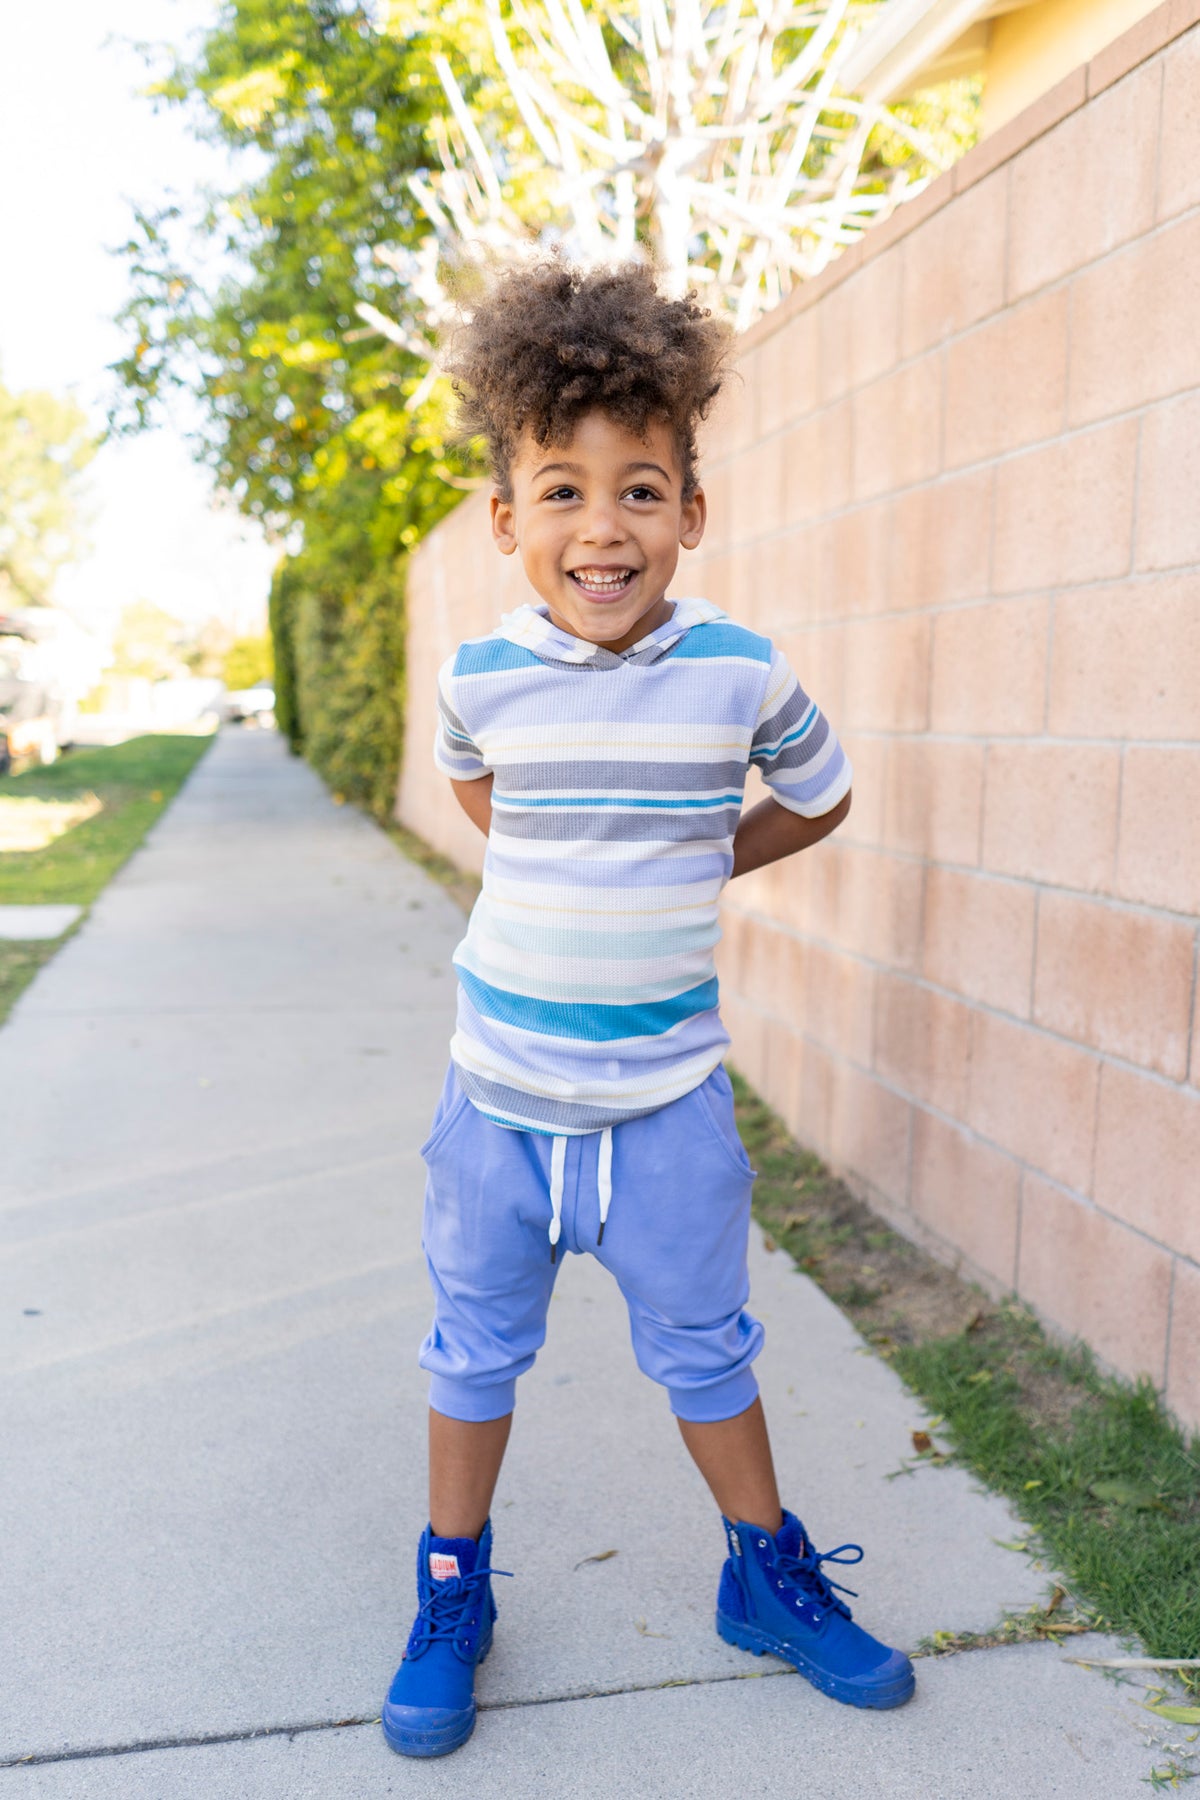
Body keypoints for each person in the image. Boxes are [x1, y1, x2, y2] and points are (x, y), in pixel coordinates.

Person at [382, 259, 915, 1759]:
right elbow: (483, 795)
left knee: (709, 1356)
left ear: (693, 509)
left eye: (640, 490)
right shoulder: (482, 678)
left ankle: (765, 1576)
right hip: (497, 1105)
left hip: (668, 1113)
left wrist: (705, 853)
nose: (602, 526)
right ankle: (451, 1590)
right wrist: (566, 862)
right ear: (508, 521)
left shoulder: (740, 673)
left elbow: (822, 792)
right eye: (562, 491)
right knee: (471, 1358)